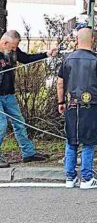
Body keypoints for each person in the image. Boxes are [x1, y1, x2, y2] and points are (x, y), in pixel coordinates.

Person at [57, 28, 97, 189]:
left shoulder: (67, 58)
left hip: (71, 105)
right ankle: (87, 178)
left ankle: (70, 178)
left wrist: (60, 102)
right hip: (91, 106)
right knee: (88, 142)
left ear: (77, 39)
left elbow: (60, 82)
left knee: (71, 141)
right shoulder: (96, 59)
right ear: (92, 39)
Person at [0, 30, 57, 168]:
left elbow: (26, 58)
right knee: (1, 125)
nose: (14, 50)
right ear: (4, 42)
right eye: (13, 47)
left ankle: (28, 153)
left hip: (9, 94)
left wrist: (46, 54)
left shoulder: (13, 51)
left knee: (20, 121)